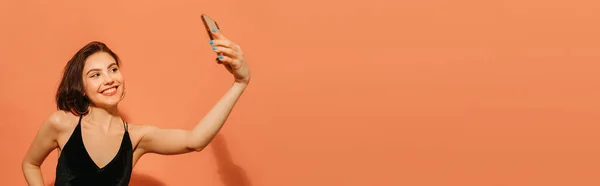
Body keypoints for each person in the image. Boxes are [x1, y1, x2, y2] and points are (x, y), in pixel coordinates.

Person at [21, 29, 250, 186]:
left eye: (113, 69)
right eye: (95, 75)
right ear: (81, 87)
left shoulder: (136, 138)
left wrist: (240, 83)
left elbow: (195, 140)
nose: (109, 79)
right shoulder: (61, 124)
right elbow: (30, 163)